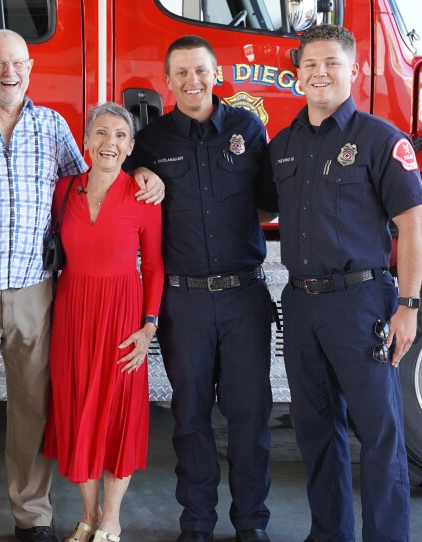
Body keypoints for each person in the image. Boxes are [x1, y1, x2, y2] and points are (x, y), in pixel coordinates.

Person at [0, 29, 161, 542]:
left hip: (36, 290)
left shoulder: (53, 127)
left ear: (30, 68)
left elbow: (95, 182)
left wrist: (145, 172)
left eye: (16, 63)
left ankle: (32, 515)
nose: (8, 72)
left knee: (32, 408)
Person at [269, 25, 421, 542]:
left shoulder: (381, 140)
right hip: (302, 302)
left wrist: (409, 305)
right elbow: (260, 205)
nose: (320, 73)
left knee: (380, 435)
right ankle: (329, 534)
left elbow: (412, 224)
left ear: (353, 70)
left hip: (362, 303)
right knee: (315, 430)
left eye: (332, 63)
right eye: (310, 64)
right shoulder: (283, 143)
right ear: (297, 75)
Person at [127, 36, 278, 542]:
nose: (193, 81)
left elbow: (268, 207)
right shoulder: (149, 143)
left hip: (243, 297)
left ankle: (251, 524)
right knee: (189, 417)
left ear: (216, 74)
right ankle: (196, 524)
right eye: (181, 73)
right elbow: (125, 205)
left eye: (201, 71)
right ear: (166, 81)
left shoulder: (247, 129)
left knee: (249, 416)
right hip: (183, 302)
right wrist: (141, 173)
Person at [43, 102, 164, 542]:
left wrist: (149, 324)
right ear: (86, 140)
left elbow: (153, 267)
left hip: (122, 317)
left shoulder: (144, 195)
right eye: (100, 133)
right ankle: (89, 515)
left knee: (117, 418)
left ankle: (111, 519)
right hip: (72, 312)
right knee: (77, 413)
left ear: (131, 146)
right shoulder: (64, 190)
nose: (108, 143)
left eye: (119, 136)